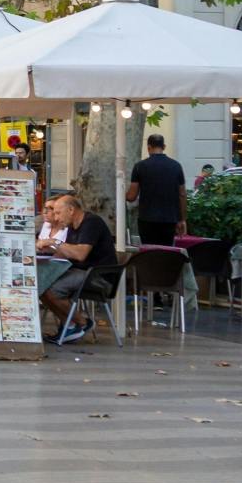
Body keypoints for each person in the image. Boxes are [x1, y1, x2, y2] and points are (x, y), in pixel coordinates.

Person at [36, 192, 115, 343]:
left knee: (52, 289)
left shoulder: (92, 223)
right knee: (41, 285)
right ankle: (70, 326)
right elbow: (68, 251)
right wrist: (46, 251)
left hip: (98, 275)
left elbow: (80, 254)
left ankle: (82, 322)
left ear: (71, 210)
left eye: (58, 213)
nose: (56, 218)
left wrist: (54, 242)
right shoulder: (72, 225)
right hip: (80, 271)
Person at [125, 133, 187, 245]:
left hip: (147, 219)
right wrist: (182, 219)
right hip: (169, 219)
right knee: (166, 251)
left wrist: (121, 193)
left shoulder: (139, 166)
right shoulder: (176, 166)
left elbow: (131, 196)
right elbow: (182, 194)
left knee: (150, 251)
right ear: (164, 147)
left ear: (148, 147)